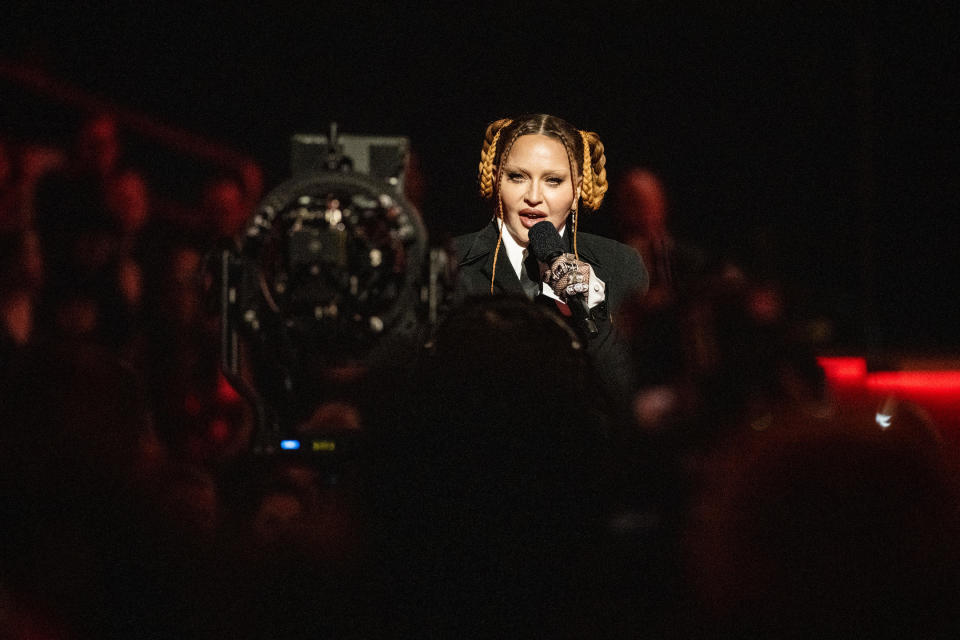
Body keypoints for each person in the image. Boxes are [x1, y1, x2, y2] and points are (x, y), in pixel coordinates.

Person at [452, 113, 648, 402]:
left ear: (578, 187)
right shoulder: (451, 262)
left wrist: (593, 310)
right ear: (496, 179)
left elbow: (628, 395)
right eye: (517, 177)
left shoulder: (620, 264)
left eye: (553, 181)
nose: (533, 195)